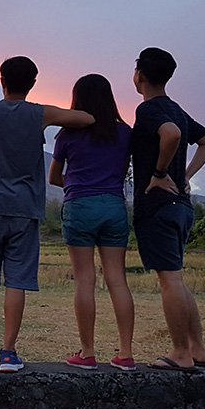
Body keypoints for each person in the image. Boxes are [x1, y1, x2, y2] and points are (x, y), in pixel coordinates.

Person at [0, 56, 94, 372]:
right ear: (33, 83)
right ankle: (8, 353)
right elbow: (87, 119)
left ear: (1, 79)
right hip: (25, 210)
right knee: (17, 282)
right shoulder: (40, 114)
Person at [130, 47, 205, 373]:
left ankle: (180, 352)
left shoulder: (150, 110)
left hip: (159, 207)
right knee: (177, 280)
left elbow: (171, 134)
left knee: (169, 281)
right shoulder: (176, 108)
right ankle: (197, 349)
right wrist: (185, 176)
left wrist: (160, 173)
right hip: (181, 206)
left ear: (139, 75)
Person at [47, 74, 136, 372]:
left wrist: (76, 184)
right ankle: (125, 353)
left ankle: (87, 353)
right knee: (117, 279)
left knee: (85, 280)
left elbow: (53, 177)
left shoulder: (68, 134)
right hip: (113, 205)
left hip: (80, 206)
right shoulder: (125, 133)